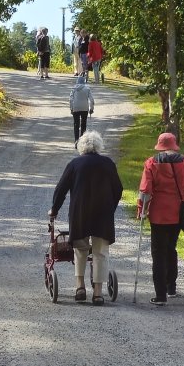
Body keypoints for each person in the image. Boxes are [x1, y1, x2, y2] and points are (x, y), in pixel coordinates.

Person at [48, 131, 123, 306]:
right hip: (103, 215)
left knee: (80, 250)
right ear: (99, 146)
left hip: (80, 213)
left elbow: (61, 189)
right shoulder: (108, 164)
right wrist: (110, 207)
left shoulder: (75, 164)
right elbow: (118, 189)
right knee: (100, 253)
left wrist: (54, 209)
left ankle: (80, 287)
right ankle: (98, 293)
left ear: (81, 146)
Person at [138, 132, 184, 305]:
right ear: (174, 145)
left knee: (158, 254)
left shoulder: (151, 163)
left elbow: (145, 191)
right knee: (170, 248)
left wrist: (141, 211)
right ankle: (171, 286)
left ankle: (160, 296)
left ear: (159, 145)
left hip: (158, 214)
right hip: (177, 213)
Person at [70, 75, 94, 147]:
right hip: (84, 108)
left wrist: (71, 108)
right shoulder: (87, 89)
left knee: (76, 124)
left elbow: (71, 99)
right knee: (83, 124)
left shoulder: (73, 89)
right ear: (84, 82)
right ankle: (82, 142)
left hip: (76, 108)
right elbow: (91, 100)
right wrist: (91, 108)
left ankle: (76, 141)